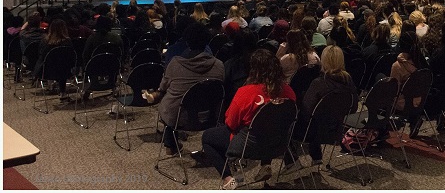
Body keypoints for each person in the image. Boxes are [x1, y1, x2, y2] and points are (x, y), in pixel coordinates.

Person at [198, 49, 296, 189]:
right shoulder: (288, 92)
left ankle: (228, 179)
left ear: (254, 70)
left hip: (248, 146)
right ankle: (266, 164)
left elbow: (230, 123)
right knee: (269, 125)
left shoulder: (245, 92)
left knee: (207, 137)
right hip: (278, 144)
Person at [143, 23, 225, 156]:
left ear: (187, 42)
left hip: (179, 118)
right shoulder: (219, 65)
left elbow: (163, 87)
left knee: (169, 97)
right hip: (211, 116)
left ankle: (170, 145)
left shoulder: (175, 63)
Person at [281, 45, 358, 174]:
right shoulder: (348, 80)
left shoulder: (319, 83)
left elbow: (306, 112)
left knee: (281, 121)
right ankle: (316, 158)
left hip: (313, 132)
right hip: (336, 129)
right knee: (317, 118)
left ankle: (292, 162)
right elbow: (354, 107)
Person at [33, 18, 73, 100]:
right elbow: (71, 56)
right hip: (64, 71)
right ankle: (62, 91)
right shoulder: (67, 42)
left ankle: (50, 84)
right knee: (62, 65)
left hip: (46, 70)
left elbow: (41, 55)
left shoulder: (45, 41)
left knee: (48, 62)